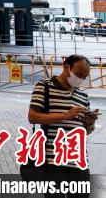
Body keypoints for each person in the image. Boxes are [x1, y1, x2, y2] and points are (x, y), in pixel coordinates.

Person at [28, 55, 100, 197]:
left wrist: (90, 122)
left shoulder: (83, 96)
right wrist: (66, 115)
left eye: (85, 77)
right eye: (79, 74)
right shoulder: (44, 86)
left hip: (79, 162)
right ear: (66, 67)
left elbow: (86, 131)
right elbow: (33, 117)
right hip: (53, 162)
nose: (81, 79)